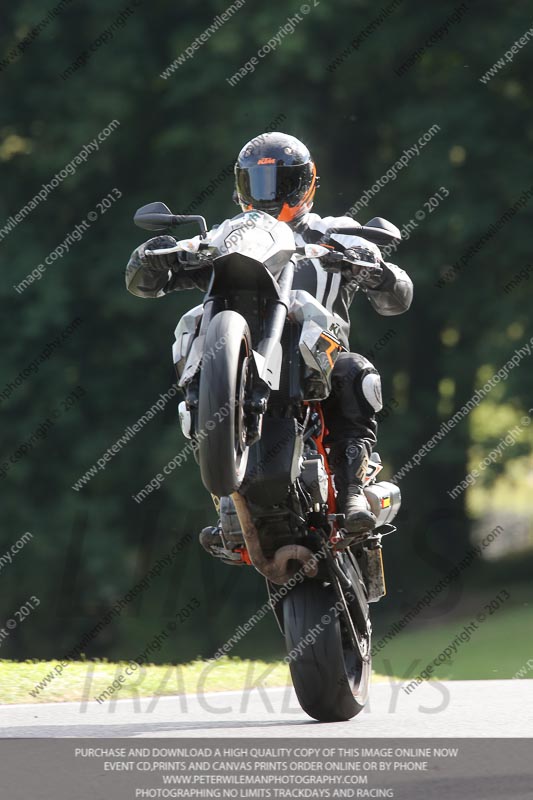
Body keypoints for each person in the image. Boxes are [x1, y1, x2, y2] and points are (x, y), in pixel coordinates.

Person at [125, 132, 413, 537]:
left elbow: (398, 297)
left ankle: (351, 491)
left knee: (356, 372)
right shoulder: (225, 237)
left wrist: (375, 268)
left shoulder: (336, 232)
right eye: (257, 184)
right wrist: (154, 256)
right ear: (241, 187)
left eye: (281, 183)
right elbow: (144, 285)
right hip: (242, 355)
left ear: (306, 183)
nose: (268, 194)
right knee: (192, 327)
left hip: (318, 364)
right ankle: (228, 494)